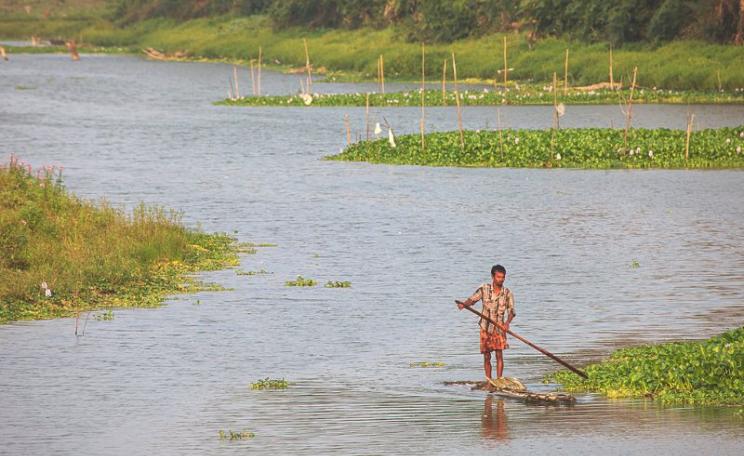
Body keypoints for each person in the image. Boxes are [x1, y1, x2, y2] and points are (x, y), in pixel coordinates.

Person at [456, 265, 515, 379]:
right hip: (485, 328)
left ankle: (499, 380)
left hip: (499, 328)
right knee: (487, 356)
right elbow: (472, 299)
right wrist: (464, 305)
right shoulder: (484, 289)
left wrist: (507, 323)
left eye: (503, 277)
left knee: (499, 355)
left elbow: (511, 311)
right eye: (499, 277)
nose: (501, 280)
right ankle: (489, 381)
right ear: (493, 277)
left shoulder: (507, 293)